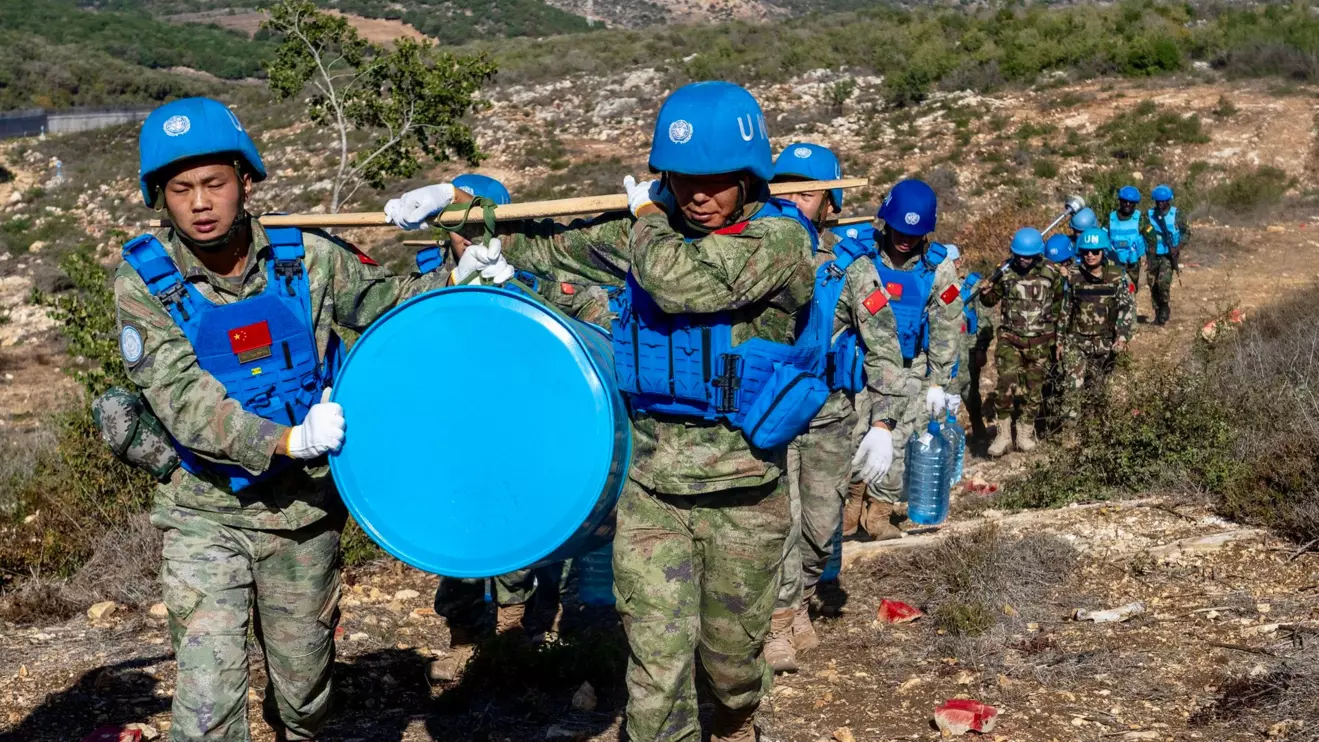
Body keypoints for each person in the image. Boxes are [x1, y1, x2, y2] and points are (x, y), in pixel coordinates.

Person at [387, 80, 821, 742]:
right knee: (654, 671)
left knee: (730, 668)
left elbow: (683, 283)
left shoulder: (779, 240)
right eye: (681, 179)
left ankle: (737, 718)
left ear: (750, 173)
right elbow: (542, 245)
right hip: (651, 492)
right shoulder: (651, 227)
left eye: (715, 180)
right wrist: (460, 209)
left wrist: (645, 219)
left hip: (742, 489)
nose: (697, 195)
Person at [108, 97, 449, 742]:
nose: (201, 203)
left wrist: (463, 272)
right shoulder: (142, 284)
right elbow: (184, 399)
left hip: (303, 514)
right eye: (181, 189)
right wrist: (288, 439)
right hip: (204, 513)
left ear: (245, 180)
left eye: (215, 184)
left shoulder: (312, 258)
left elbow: (393, 310)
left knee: (304, 697)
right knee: (207, 699)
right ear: (162, 196)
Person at [412, 173, 576, 682]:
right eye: (459, 229)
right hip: (456, 432)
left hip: (522, 428)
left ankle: (513, 630)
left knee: (516, 527)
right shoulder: (430, 280)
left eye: (482, 227)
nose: (471, 239)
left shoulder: (530, 275)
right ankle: (465, 638)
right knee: (460, 532)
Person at [763, 142, 905, 674]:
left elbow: (885, 348)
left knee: (822, 528)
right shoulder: (752, 258)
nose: (797, 201)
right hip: (768, 419)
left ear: (831, 202)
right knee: (777, 521)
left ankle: (799, 600)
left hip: (829, 419)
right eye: (787, 189)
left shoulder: (849, 267)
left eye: (808, 192)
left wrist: (885, 423)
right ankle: (778, 621)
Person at [841, 180, 962, 539]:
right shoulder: (862, 257)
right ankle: (851, 506)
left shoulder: (938, 268)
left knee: (894, 439)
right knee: (855, 435)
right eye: (900, 230)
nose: (906, 239)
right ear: (886, 221)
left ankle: (878, 514)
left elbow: (947, 324)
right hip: (860, 363)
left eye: (915, 233)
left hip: (912, 367)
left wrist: (939, 381)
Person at [980, 227, 1066, 457]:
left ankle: (1025, 433)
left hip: (1040, 341)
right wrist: (985, 291)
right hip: (1010, 339)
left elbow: (1060, 306)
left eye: (1027, 256)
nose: (1022, 260)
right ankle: (1004, 435)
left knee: (1033, 389)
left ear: (1038, 254)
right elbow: (990, 300)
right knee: (1005, 384)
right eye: (1018, 255)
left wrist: (1058, 338)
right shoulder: (1004, 271)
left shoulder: (1052, 272)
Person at [1061, 228, 1135, 412]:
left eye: (1095, 251)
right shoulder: (1073, 276)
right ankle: (1069, 437)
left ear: (1103, 251)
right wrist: (1059, 340)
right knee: (1072, 390)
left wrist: (1122, 336)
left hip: (1105, 343)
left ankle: (1094, 433)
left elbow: (1126, 308)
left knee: (1098, 391)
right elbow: (1066, 309)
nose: (1090, 255)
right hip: (1077, 342)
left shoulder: (1117, 277)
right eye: (1086, 252)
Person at [945, 244, 992, 440]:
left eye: (951, 263)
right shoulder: (937, 285)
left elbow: (984, 318)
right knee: (947, 393)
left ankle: (978, 428)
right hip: (946, 351)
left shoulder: (972, 286)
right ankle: (948, 434)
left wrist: (982, 348)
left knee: (971, 392)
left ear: (958, 262)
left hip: (969, 349)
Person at [1146, 184, 1188, 326]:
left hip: (1168, 255)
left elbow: (1186, 232)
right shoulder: (1149, 215)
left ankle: (1164, 306)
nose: (1160, 204)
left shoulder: (1177, 214)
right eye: (1157, 201)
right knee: (1152, 284)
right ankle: (1157, 314)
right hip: (1153, 254)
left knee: (1163, 283)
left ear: (1169, 200)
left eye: (1163, 201)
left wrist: (1178, 247)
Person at [1106, 186, 1156, 294]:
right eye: (1125, 201)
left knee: (1131, 290)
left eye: (1131, 202)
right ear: (1120, 201)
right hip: (1113, 262)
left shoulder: (1141, 219)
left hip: (1132, 263)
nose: (1127, 204)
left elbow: (1152, 238)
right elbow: (1103, 238)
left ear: (1135, 203)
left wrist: (1150, 259)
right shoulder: (1111, 218)